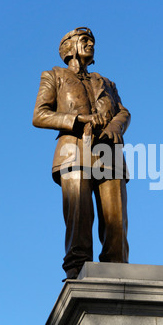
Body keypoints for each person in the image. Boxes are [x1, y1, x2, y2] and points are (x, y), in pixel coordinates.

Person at [33, 27, 131, 279]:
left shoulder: (106, 82)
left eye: (92, 41)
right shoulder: (53, 75)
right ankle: (77, 269)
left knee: (116, 220)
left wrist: (114, 126)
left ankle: (117, 269)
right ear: (69, 46)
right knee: (79, 214)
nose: (90, 44)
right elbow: (40, 115)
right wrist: (78, 119)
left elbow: (123, 111)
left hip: (108, 151)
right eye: (84, 40)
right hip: (73, 150)